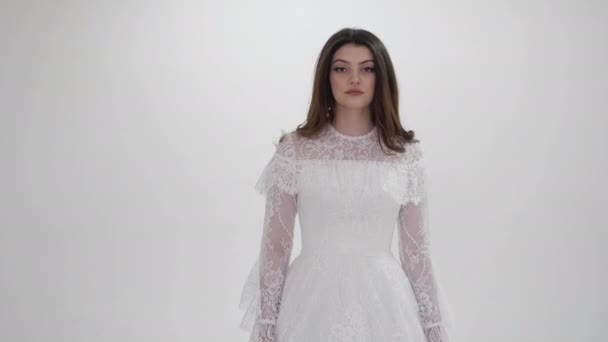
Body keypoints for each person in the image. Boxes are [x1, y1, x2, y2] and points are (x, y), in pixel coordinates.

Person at [239, 28, 453, 342]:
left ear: (381, 79)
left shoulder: (405, 155)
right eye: (342, 69)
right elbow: (275, 247)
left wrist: (433, 329)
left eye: (367, 69)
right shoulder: (294, 150)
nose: (355, 79)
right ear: (327, 78)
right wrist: (267, 323)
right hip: (310, 304)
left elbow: (417, 254)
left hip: (386, 306)